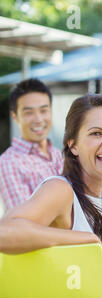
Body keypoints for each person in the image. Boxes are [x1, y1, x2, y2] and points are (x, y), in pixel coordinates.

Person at [0, 94, 102, 298]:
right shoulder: (61, 190)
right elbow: (4, 232)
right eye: (96, 133)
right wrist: (88, 241)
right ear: (73, 146)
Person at [0, 78, 63, 211]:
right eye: (28, 113)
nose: (38, 119)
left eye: (43, 110)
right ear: (15, 116)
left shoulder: (60, 155)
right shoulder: (9, 162)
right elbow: (23, 221)